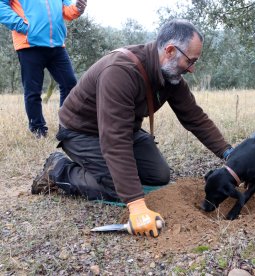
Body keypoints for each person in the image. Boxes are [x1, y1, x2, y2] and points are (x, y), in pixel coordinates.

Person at [31, 19, 234, 238]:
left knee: (159, 175)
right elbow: (115, 142)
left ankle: (113, 176)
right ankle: (60, 170)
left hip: (124, 129)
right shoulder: (119, 72)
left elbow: (195, 117)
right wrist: (136, 205)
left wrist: (229, 154)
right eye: (190, 61)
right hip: (82, 132)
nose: (192, 69)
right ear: (170, 50)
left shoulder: (170, 76)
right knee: (119, 189)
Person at [0, 0, 87, 138]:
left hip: (57, 44)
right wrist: (22, 26)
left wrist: (77, 8)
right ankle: (38, 129)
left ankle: (66, 126)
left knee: (70, 84)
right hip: (29, 44)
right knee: (33, 91)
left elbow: (67, 11)